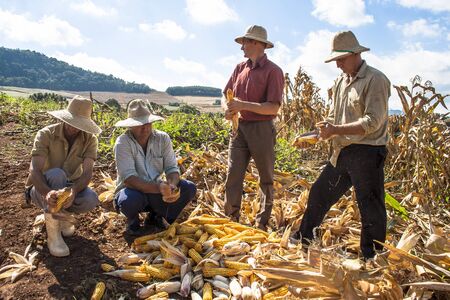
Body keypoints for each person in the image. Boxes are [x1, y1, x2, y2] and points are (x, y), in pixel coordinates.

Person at [293, 31, 390, 260]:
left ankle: (372, 257)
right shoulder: (340, 82)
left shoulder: (376, 80)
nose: (337, 65)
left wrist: (335, 130)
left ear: (356, 54)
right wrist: (318, 134)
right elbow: (333, 118)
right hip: (342, 152)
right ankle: (303, 238)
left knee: (370, 207)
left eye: (341, 59)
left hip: (368, 152)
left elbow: (372, 122)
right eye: (335, 60)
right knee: (319, 193)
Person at [223, 25, 284, 230]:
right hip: (239, 128)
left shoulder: (274, 71)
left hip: (262, 129)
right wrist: (228, 109)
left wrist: (243, 105)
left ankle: (261, 223)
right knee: (233, 174)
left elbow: (273, 107)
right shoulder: (240, 68)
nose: (242, 48)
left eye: (245, 43)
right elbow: (227, 94)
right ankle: (231, 219)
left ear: (257, 44)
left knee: (265, 178)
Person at [25, 96, 102, 257]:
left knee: (91, 198)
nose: (74, 128)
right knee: (57, 174)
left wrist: (73, 191)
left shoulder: (90, 140)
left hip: (69, 186)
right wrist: (47, 193)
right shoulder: (46, 134)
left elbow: (87, 172)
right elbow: (35, 170)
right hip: (41, 188)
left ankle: (62, 217)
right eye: (72, 122)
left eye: (79, 125)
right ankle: (53, 236)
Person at [113, 99, 197, 235]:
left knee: (188, 188)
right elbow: (129, 178)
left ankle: (157, 216)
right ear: (130, 126)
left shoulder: (162, 139)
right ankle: (132, 221)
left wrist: (171, 185)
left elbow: (172, 169)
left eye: (148, 123)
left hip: (156, 191)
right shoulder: (123, 143)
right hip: (133, 191)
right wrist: (158, 188)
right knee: (129, 200)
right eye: (140, 125)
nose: (145, 128)